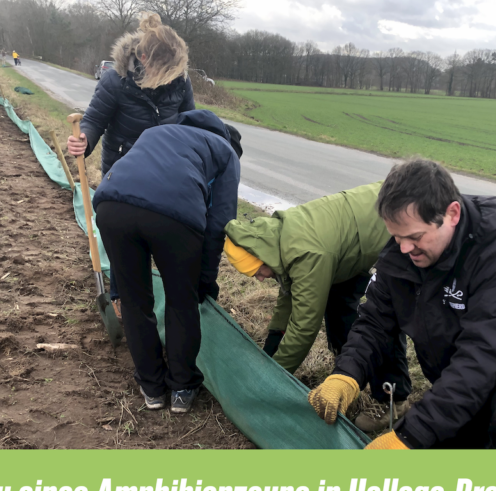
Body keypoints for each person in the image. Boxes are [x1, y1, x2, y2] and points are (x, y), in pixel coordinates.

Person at [308, 159, 496, 449]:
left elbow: (483, 358)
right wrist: (345, 375)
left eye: (414, 237)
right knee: (447, 440)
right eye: (396, 237)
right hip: (465, 364)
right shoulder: (402, 257)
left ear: (452, 213)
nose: (404, 249)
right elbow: (375, 322)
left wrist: (408, 437)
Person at [223, 183, 411, 430]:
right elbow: (288, 299)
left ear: (263, 257)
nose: (258, 278)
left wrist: (269, 381)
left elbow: (304, 328)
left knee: (385, 316)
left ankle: (393, 400)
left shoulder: (306, 253)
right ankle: (350, 373)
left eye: (257, 271)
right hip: (348, 246)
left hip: (395, 219)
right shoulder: (277, 238)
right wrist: (269, 352)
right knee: (339, 306)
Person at [92, 110, 242, 414]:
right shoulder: (227, 152)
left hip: (110, 206)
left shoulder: (156, 133)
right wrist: (203, 279)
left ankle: (152, 388)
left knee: (135, 302)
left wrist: (118, 287)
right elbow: (219, 224)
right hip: (174, 216)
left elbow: (130, 187)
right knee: (180, 302)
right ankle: (182, 387)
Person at [67, 13, 195, 321]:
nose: (169, 79)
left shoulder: (180, 82)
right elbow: (95, 119)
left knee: (156, 234)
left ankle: (155, 292)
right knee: (122, 236)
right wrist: (84, 141)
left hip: (164, 172)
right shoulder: (115, 80)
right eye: (163, 72)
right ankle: (120, 296)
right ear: (142, 58)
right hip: (121, 171)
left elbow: (190, 123)